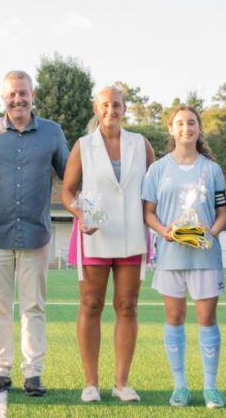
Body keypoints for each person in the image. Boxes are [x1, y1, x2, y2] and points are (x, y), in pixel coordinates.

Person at [0, 70, 69, 396]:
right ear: (4, 97)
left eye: (23, 93)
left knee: (34, 306)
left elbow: (69, 176)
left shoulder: (53, 133)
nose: (18, 99)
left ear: (33, 95)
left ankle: (33, 373)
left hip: (36, 233)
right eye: (12, 94)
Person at [61, 85, 155, 402]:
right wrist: (80, 214)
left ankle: (121, 384)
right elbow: (68, 191)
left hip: (133, 237)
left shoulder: (141, 145)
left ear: (125, 108)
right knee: (91, 305)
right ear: (95, 108)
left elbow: (153, 189)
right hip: (95, 237)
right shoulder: (83, 146)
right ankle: (91, 384)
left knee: (127, 307)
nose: (110, 110)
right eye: (105, 105)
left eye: (116, 105)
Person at [143, 105, 226, 409]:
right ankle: (180, 386)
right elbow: (148, 213)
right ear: (171, 129)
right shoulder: (157, 170)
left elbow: (223, 213)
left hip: (205, 258)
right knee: (174, 318)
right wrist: (164, 231)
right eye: (179, 123)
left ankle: (210, 387)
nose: (185, 128)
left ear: (199, 128)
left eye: (191, 123)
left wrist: (212, 232)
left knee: (207, 319)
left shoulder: (212, 169)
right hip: (170, 256)